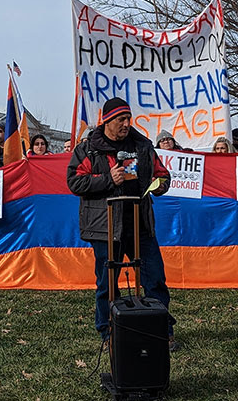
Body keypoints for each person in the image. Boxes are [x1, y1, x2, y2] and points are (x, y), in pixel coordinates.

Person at [66, 97, 176, 351]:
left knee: (155, 279)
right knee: (107, 283)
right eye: (120, 120)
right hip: (104, 227)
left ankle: (162, 331)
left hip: (139, 224)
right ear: (107, 120)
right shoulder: (88, 149)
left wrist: (159, 186)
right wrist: (107, 179)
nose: (126, 124)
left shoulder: (143, 146)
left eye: (128, 119)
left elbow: (162, 175)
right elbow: (75, 182)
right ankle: (108, 333)